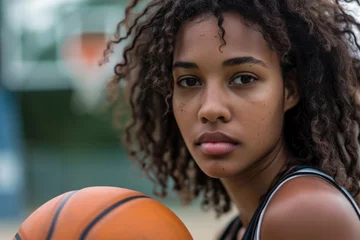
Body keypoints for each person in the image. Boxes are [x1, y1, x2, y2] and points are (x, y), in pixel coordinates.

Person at [102, 0, 360, 239]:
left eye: (244, 78)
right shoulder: (237, 229)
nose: (210, 109)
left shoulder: (305, 214)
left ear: (289, 91)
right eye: (189, 81)